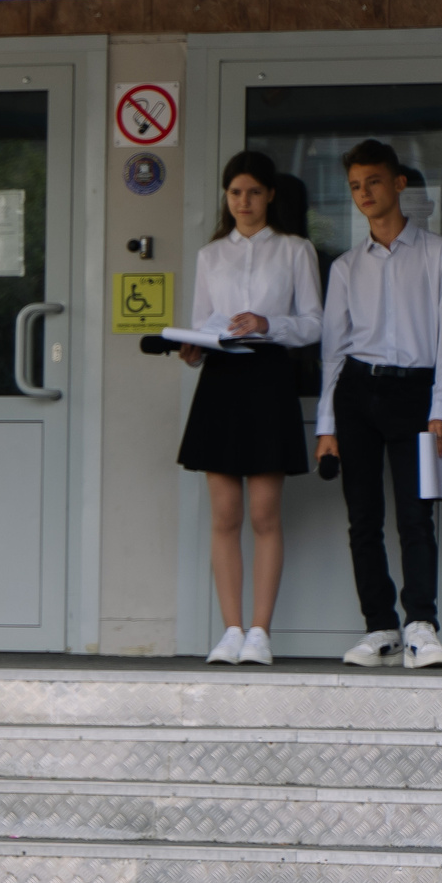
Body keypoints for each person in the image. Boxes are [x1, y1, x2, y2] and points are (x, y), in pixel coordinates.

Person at [180, 150, 325, 667]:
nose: (244, 202)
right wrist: (194, 349)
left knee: (264, 513)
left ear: (270, 195)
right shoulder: (210, 255)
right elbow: (203, 321)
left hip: (268, 377)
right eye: (235, 192)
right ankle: (231, 630)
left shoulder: (295, 250)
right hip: (220, 379)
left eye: (254, 192)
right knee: (224, 515)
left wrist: (268, 324)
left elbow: (315, 324)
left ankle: (260, 632)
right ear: (227, 197)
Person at [316, 139, 442, 669]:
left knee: (417, 516)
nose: (364, 193)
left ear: (398, 184)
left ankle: (421, 624)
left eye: (373, 181)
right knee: (363, 518)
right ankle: (380, 628)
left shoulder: (438, 254)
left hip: (416, 392)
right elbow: (332, 352)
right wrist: (327, 424)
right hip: (358, 393)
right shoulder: (347, 267)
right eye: (355, 186)